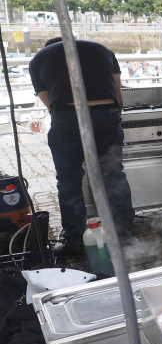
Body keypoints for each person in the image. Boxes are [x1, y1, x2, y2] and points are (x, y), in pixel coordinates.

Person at [29, 38, 134, 259]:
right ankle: (123, 235)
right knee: (113, 174)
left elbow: (50, 105)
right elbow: (118, 93)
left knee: (69, 179)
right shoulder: (102, 49)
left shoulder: (39, 58)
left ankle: (74, 241)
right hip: (106, 112)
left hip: (68, 115)